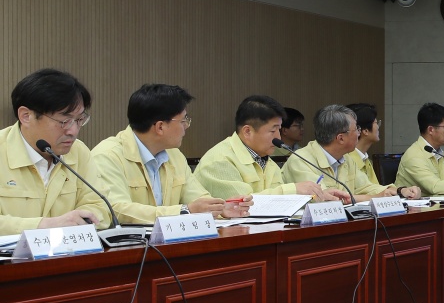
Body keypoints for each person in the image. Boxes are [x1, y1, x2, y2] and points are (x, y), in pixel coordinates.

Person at [90, 84, 248, 224]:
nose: (186, 126)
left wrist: (221, 210)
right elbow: (117, 210)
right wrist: (184, 211)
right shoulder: (107, 156)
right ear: (160, 127)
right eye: (183, 120)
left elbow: (198, 198)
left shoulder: (175, 155)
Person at [0, 68, 111, 232]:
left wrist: (83, 220)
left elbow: (99, 205)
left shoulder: (78, 151)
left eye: (79, 120)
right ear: (26, 116)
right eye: (64, 121)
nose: (73, 131)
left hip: (67, 254)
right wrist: (44, 226)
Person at [194, 95, 340, 202]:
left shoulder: (266, 160)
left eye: (279, 129)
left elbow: (281, 202)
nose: (278, 137)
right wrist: (293, 190)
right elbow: (244, 204)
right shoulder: (220, 160)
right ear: (247, 131)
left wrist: (318, 195)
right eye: (272, 131)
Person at [281, 105, 419, 201]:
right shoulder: (301, 160)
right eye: (356, 129)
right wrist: (374, 197)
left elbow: (366, 187)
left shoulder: (346, 158)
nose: (359, 133)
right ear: (340, 138)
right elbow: (325, 198)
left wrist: (400, 191)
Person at [347, 102, 384, 188]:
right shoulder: (348, 160)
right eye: (376, 123)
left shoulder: (365, 159)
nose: (378, 127)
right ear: (365, 130)